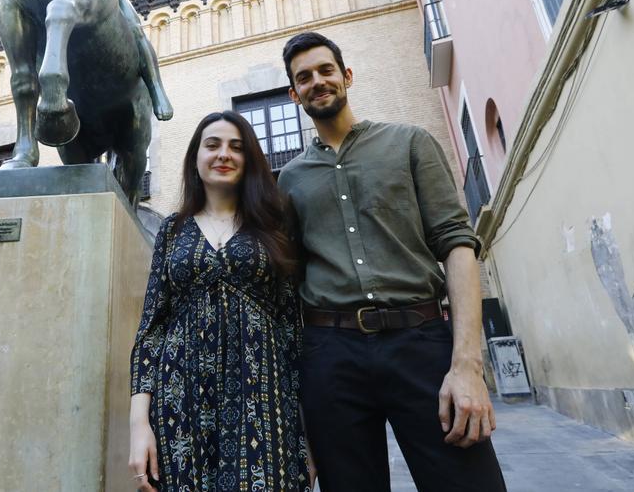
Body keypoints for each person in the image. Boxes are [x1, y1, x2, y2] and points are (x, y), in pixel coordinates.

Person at [277, 31, 507, 491]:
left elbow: (457, 245)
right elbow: (289, 286)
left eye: (326, 71)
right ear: (293, 93)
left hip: (421, 343)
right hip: (330, 352)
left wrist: (467, 365)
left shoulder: (411, 144)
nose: (317, 82)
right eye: (304, 78)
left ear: (347, 76)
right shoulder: (288, 181)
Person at [129, 111, 311, 492]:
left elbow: (291, 326)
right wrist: (138, 425)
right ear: (196, 157)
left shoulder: (273, 226)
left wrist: (308, 432)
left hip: (262, 395)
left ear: (249, 160)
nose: (223, 154)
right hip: (179, 400)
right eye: (212, 145)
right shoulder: (171, 229)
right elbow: (151, 328)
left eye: (236, 147)